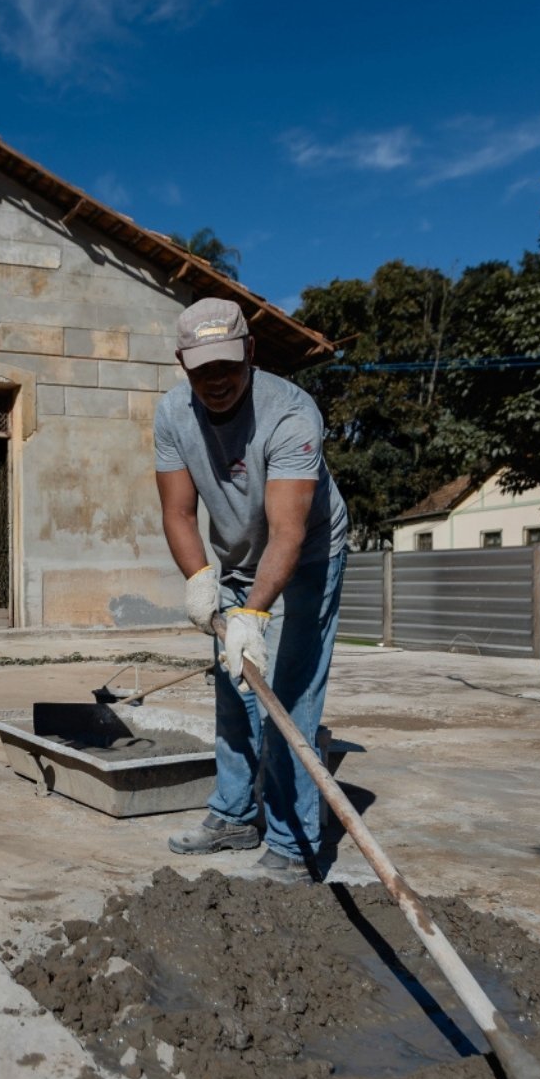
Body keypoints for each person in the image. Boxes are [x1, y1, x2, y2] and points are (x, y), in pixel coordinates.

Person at [152, 297, 349, 884]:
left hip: (309, 556)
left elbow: (288, 532)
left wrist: (254, 614)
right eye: (203, 368)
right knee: (234, 687)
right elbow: (179, 514)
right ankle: (234, 814)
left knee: (287, 698)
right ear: (183, 363)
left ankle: (293, 844)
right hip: (236, 557)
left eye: (228, 366)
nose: (217, 380)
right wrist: (199, 581)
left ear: (250, 354)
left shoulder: (291, 414)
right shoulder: (171, 414)